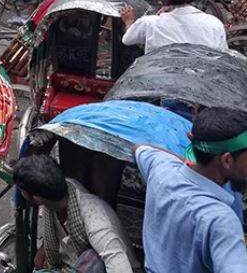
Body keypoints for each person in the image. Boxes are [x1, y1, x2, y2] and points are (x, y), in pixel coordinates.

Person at [135, 108, 247, 272]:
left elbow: (140, 147)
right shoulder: (221, 220)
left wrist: (188, 161)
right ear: (227, 160)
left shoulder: (162, 171)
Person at [13, 155, 141, 272]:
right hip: (73, 264)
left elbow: (120, 266)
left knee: (92, 259)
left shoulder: (95, 218)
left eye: (22, 191)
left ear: (36, 198)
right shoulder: (56, 197)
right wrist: (44, 246)